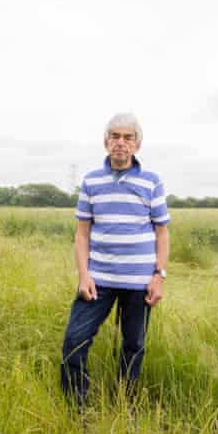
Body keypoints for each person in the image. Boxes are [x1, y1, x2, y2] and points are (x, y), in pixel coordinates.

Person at [60, 113, 170, 408]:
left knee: (133, 346)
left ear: (137, 144)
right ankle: (76, 407)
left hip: (139, 282)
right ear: (106, 141)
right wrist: (84, 275)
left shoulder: (151, 182)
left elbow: (162, 232)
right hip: (99, 279)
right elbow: (82, 234)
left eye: (127, 137)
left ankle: (125, 403)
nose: (120, 143)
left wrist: (159, 275)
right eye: (115, 136)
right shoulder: (91, 181)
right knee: (75, 341)